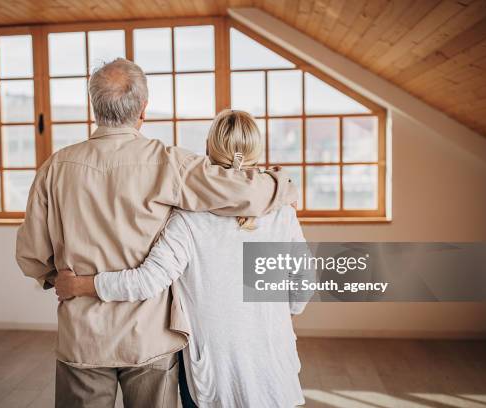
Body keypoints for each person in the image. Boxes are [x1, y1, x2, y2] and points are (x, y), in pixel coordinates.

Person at [15, 58, 298, 408]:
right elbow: (244, 192)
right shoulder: (168, 162)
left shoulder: (54, 168)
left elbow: (30, 255)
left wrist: (57, 279)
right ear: (143, 109)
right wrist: (282, 185)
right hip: (148, 337)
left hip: (82, 335)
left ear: (94, 106)